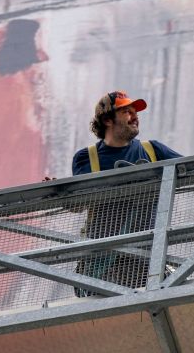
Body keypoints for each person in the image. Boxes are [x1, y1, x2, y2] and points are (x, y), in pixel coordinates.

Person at [71, 90, 182, 295]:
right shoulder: (87, 158)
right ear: (107, 120)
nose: (135, 116)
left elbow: (193, 168)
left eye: (135, 112)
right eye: (127, 112)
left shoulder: (152, 150)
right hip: (102, 264)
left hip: (145, 259)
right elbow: (78, 203)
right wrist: (60, 193)